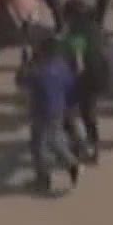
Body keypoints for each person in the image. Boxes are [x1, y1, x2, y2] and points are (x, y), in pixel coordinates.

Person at [19, 32, 82, 193]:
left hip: (41, 110)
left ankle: (43, 179)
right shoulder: (63, 67)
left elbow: (21, 81)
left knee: (38, 145)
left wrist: (25, 63)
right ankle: (71, 163)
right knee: (55, 139)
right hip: (59, 109)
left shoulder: (38, 70)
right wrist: (71, 107)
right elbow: (71, 89)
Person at [57, 0, 110, 163]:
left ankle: (77, 147)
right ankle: (94, 147)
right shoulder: (95, 27)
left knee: (70, 111)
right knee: (89, 113)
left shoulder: (76, 32)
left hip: (87, 76)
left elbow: (78, 62)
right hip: (101, 73)